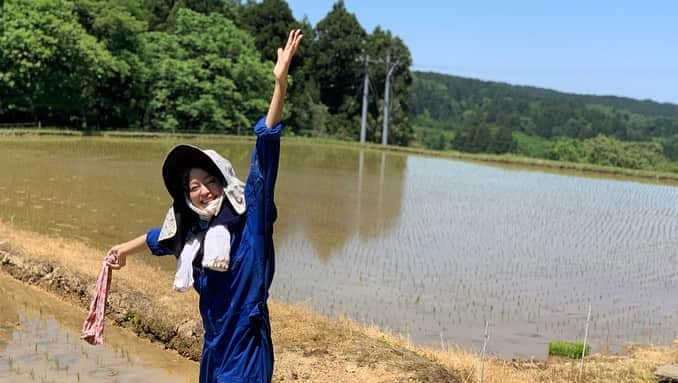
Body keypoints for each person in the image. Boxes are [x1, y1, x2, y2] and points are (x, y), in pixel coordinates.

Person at [106, 29, 303, 383]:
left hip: (246, 348)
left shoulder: (250, 220)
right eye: (194, 187)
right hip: (214, 351)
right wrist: (122, 250)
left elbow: (264, 154)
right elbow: (157, 238)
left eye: (211, 182)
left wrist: (280, 86)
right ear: (187, 196)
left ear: (225, 182)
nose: (204, 191)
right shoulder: (191, 234)